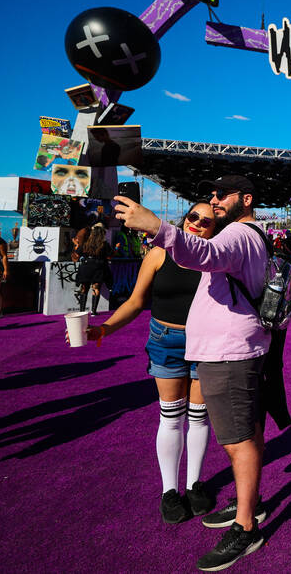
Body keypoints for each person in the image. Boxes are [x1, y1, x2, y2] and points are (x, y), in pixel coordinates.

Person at [114, 175, 272, 572]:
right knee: (246, 432)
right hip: (228, 350)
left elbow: (202, 255)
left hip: (228, 353)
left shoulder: (237, 233)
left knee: (239, 440)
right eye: (211, 195)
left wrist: (156, 226)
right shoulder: (246, 233)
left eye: (222, 195)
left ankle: (245, 526)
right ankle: (246, 502)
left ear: (245, 199)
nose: (215, 200)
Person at [76, 201, 217, 524]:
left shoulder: (214, 258)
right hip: (165, 340)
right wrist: (104, 328)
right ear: (183, 220)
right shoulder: (159, 253)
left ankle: (194, 484)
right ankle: (170, 491)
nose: (196, 223)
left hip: (205, 342)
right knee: (170, 416)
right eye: (192, 217)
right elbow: (137, 301)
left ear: (214, 228)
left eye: (205, 221)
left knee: (198, 417)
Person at [74, 223, 114, 316]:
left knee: (84, 288)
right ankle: (93, 311)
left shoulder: (86, 243)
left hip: (86, 267)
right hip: (98, 267)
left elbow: (76, 254)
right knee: (96, 288)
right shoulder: (104, 244)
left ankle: (82, 311)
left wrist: (76, 246)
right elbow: (110, 256)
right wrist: (116, 248)